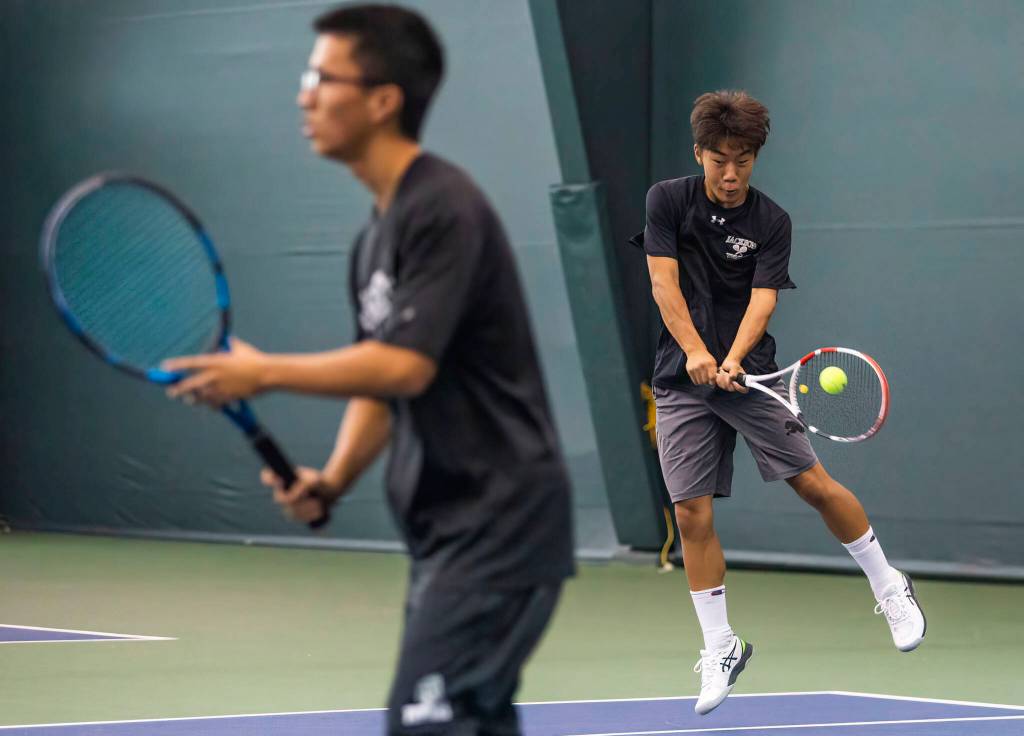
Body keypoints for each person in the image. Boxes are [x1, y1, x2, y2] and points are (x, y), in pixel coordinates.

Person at [165, 4, 574, 733]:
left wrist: (264, 375)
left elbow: (403, 368)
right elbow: (378, 386)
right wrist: (332, 479)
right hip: (447, 530)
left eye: (322, 77)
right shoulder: (374, 237)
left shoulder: (443, 207)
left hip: (498, 523)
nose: (304, 94)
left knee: (426, 722)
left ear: (383, 99)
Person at [639, 90, 925, 716]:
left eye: (743, 160)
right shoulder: (667, 200)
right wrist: (694, 352)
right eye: (720, 160)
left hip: (752, 378)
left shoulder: (772, 221)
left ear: (756, 158)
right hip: (680, 377)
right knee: (690, 513)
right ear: (700, 155)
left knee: (814, 485)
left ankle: (889, 584)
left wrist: (734, 358)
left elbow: (763, 301)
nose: (732, 173)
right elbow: (663, 282)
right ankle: (721, 645)